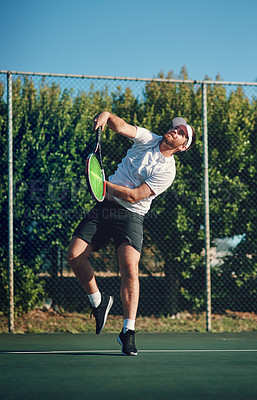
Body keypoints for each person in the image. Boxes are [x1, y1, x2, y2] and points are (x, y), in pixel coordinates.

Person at [67, 111, 196, 356]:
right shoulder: (148, 138)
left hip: (131, 216)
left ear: (182, 147)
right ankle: (98, 302)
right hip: (105, 208)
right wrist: (107, 115)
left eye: (181, 134)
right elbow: (121, 126)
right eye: (176, 128)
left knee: (129, 269)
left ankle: (128, 332)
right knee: (74, 256)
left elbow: (133, 195)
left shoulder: (168, 171)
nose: (175, 132)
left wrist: (100, 183)